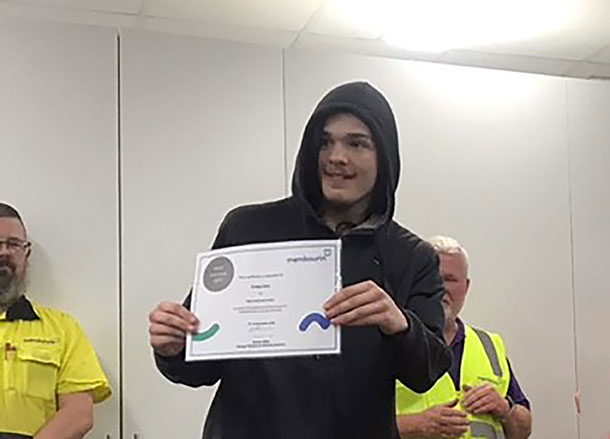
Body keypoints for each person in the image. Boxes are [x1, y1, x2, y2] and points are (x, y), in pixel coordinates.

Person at [148, 81, 451, 439]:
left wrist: (399, 324)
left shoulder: (411, 256)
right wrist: (175, 347)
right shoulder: (248, 229)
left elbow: (427, 371)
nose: (336, 156)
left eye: (357, 143)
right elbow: (202, 364)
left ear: (385, 157)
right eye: (325, 142)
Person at [396, 236, 532, 439]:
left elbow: (523, 431)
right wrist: (415, 426)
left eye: (450, 279)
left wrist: (505, 409)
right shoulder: (390, 343)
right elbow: (352, 425)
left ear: (466, 287)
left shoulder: (490, 346)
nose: (441, 288)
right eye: (432, 277)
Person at [0, 202, 111, 439]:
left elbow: (79, 412)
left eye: (13, 244)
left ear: (26, 253)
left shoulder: (62, 328)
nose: (4, 252)